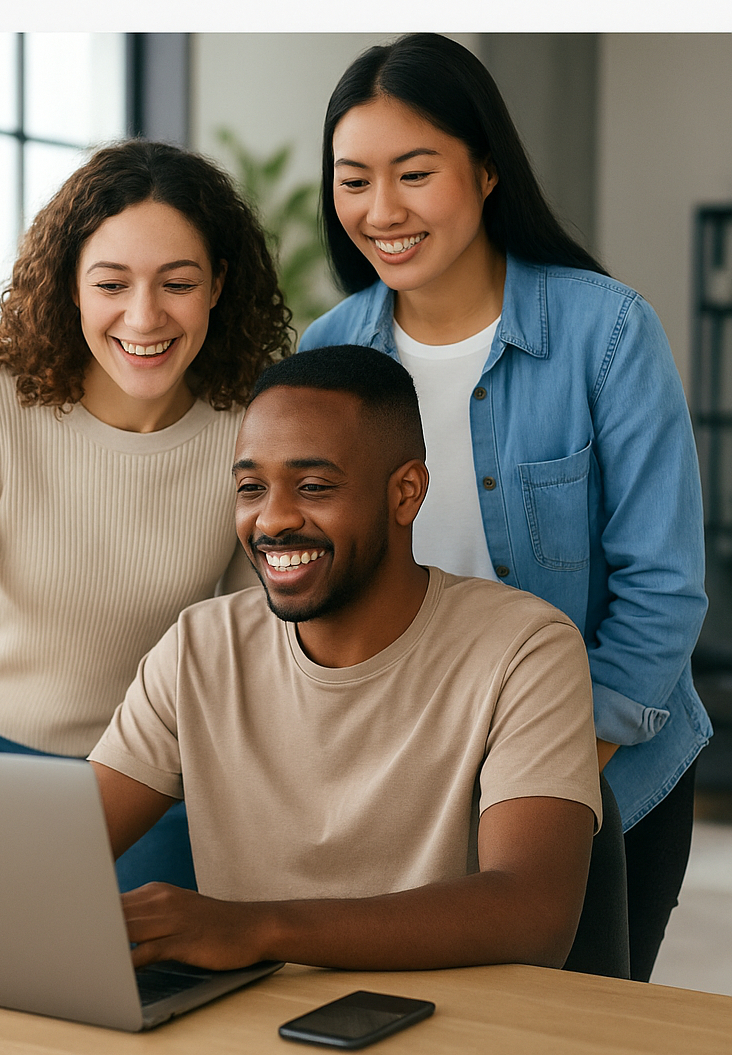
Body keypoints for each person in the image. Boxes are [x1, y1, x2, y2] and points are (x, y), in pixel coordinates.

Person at [298, 34, 710, 980]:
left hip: (604, 761)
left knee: (575, 1029)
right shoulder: (330, 352)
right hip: (404, 772)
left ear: (485, 170)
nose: (381, 210)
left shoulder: (604, 332)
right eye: (352, 179)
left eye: (414, 172)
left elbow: (663, 590)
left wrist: (552, 773)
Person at [0, 139, 292, 891]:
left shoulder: (250, 425)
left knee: (151, 995)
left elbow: (261, 643)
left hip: (150, 778)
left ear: (218, 284)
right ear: (72, 287)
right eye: (111, 283)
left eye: (176, 283)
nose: (144, 316)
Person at [89, 346, 602, 972]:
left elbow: (532, 914)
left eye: (314, 486)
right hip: (247, 1026)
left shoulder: (525, 649)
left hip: (447, 1024)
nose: (272, 519)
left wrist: (260, 929)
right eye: (251, 487)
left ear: (406, 494)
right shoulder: (202, 645)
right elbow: (64, 844)